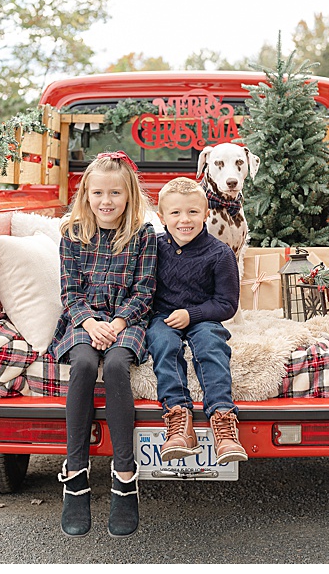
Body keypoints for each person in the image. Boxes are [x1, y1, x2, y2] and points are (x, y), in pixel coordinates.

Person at [51, 151, 157, 538]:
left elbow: (145, 290)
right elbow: (69, 292)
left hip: (125, 319)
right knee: (81, 364)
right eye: (98, 193)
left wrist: (115, 323)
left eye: (115, 192)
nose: (106, 201)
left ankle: (124, 476)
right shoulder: (72, 234)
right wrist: (90, 322)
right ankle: (75, 474)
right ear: (86, 195)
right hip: (83, 318)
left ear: (129, 196)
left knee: (114, 366)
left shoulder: (143, 235)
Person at [148, 177, 247, 465]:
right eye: (175, 213)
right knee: (163, 344)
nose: (184, 220)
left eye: (193, 212)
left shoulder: (220, 254)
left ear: (206, 214)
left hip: (204, 316)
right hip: (163, 316)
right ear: (161, 217)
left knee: (210, 345)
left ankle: (223, 422)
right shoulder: (153, 248)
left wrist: (192, 315)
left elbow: (227, 304)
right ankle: (179, 419)